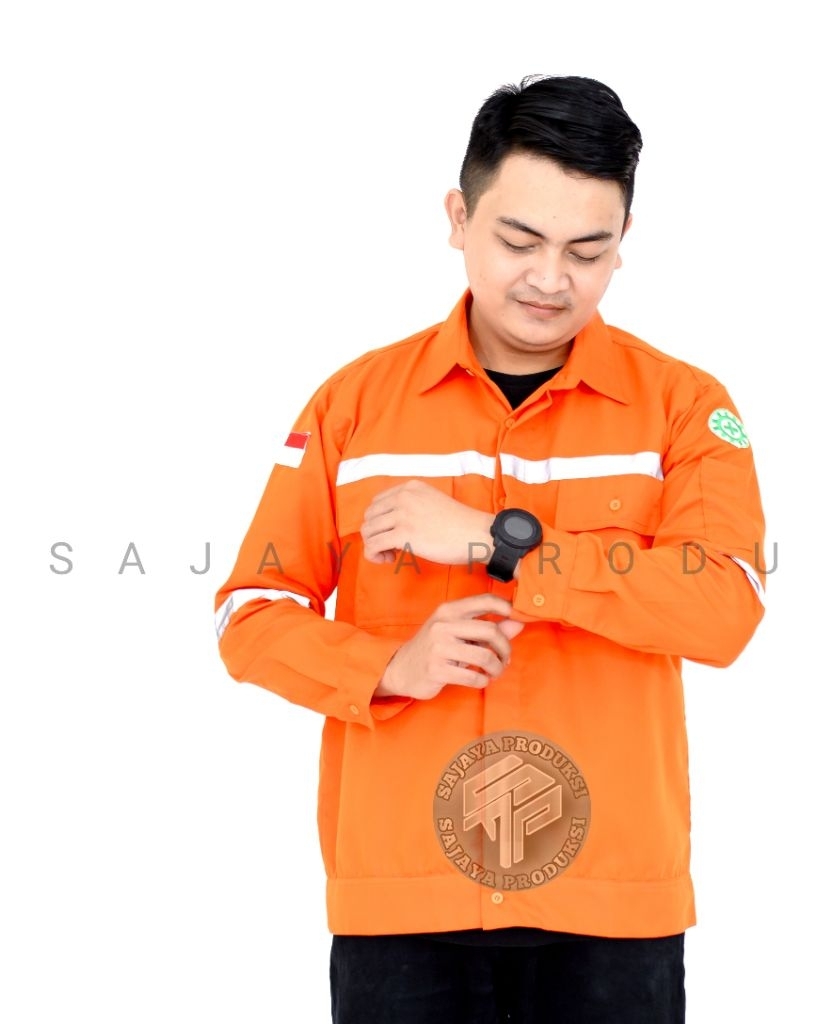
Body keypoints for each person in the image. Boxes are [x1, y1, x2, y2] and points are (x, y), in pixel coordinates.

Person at [214, 74, 766, 1024]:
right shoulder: (352, 405)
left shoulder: (684, 406)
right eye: (519, 241)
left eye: (588, 251)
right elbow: (248, 613)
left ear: (623, 243)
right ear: (459, 218)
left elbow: (723, 607)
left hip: (612, 901)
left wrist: (497, 543)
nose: (551, 279)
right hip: (403, 898)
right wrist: (390, 665)